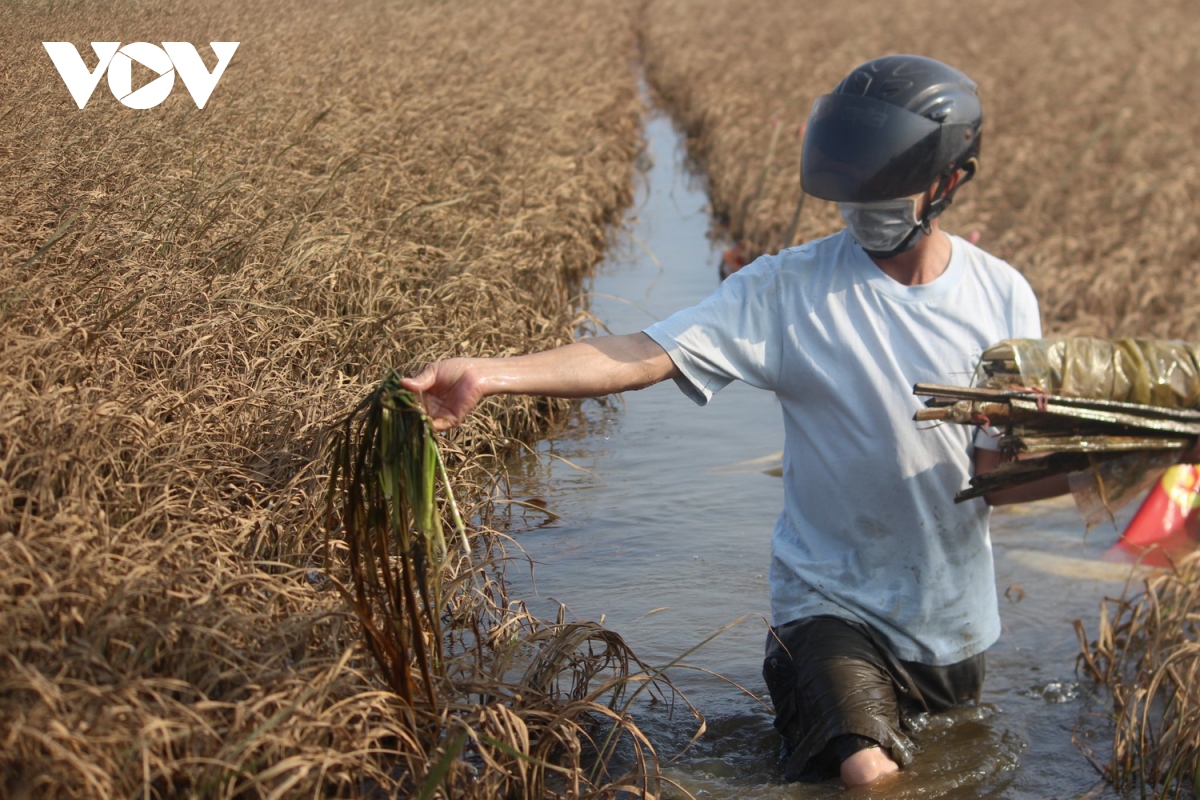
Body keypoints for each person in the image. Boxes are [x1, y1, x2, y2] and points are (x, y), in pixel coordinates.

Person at [402, 55, 1063, 786]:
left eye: (889, 184)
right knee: (869, 775)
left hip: (952, 626)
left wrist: (1116, 469)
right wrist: (493, 375)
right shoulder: (788, 289)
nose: (866, 203)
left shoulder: (1004, 299)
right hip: (827, 607)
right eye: (857, 185)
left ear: (949, 182)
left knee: (942, 758)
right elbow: (642, 353)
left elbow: (996, 481)